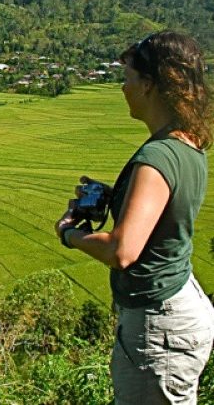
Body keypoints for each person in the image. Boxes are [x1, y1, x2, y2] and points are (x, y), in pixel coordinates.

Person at [55, 30, 214, 404]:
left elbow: (122, 251)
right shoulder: (186, 143)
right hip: (180, 305)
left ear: (148, 85)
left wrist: (69, 234)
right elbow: (166, 213)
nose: (123, 88)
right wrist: (119, 198)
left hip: (159, 325)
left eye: (128, 79)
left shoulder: (156, 158)